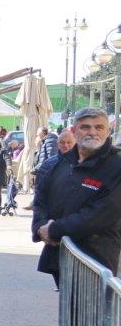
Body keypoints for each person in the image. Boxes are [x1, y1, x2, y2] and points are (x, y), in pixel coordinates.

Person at [32, 107, 121, 281]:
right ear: (74, 131)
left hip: (95, 260)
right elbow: (41, 198)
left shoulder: (116, 167)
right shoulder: (60, 163)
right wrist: (40, 226)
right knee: (68, 307)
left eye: (99, 127)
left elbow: (100, 215)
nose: (93, 132)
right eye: (86, 127)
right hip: (59, 255)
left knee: (91, 308)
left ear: (108, 130)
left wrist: (53, 230)